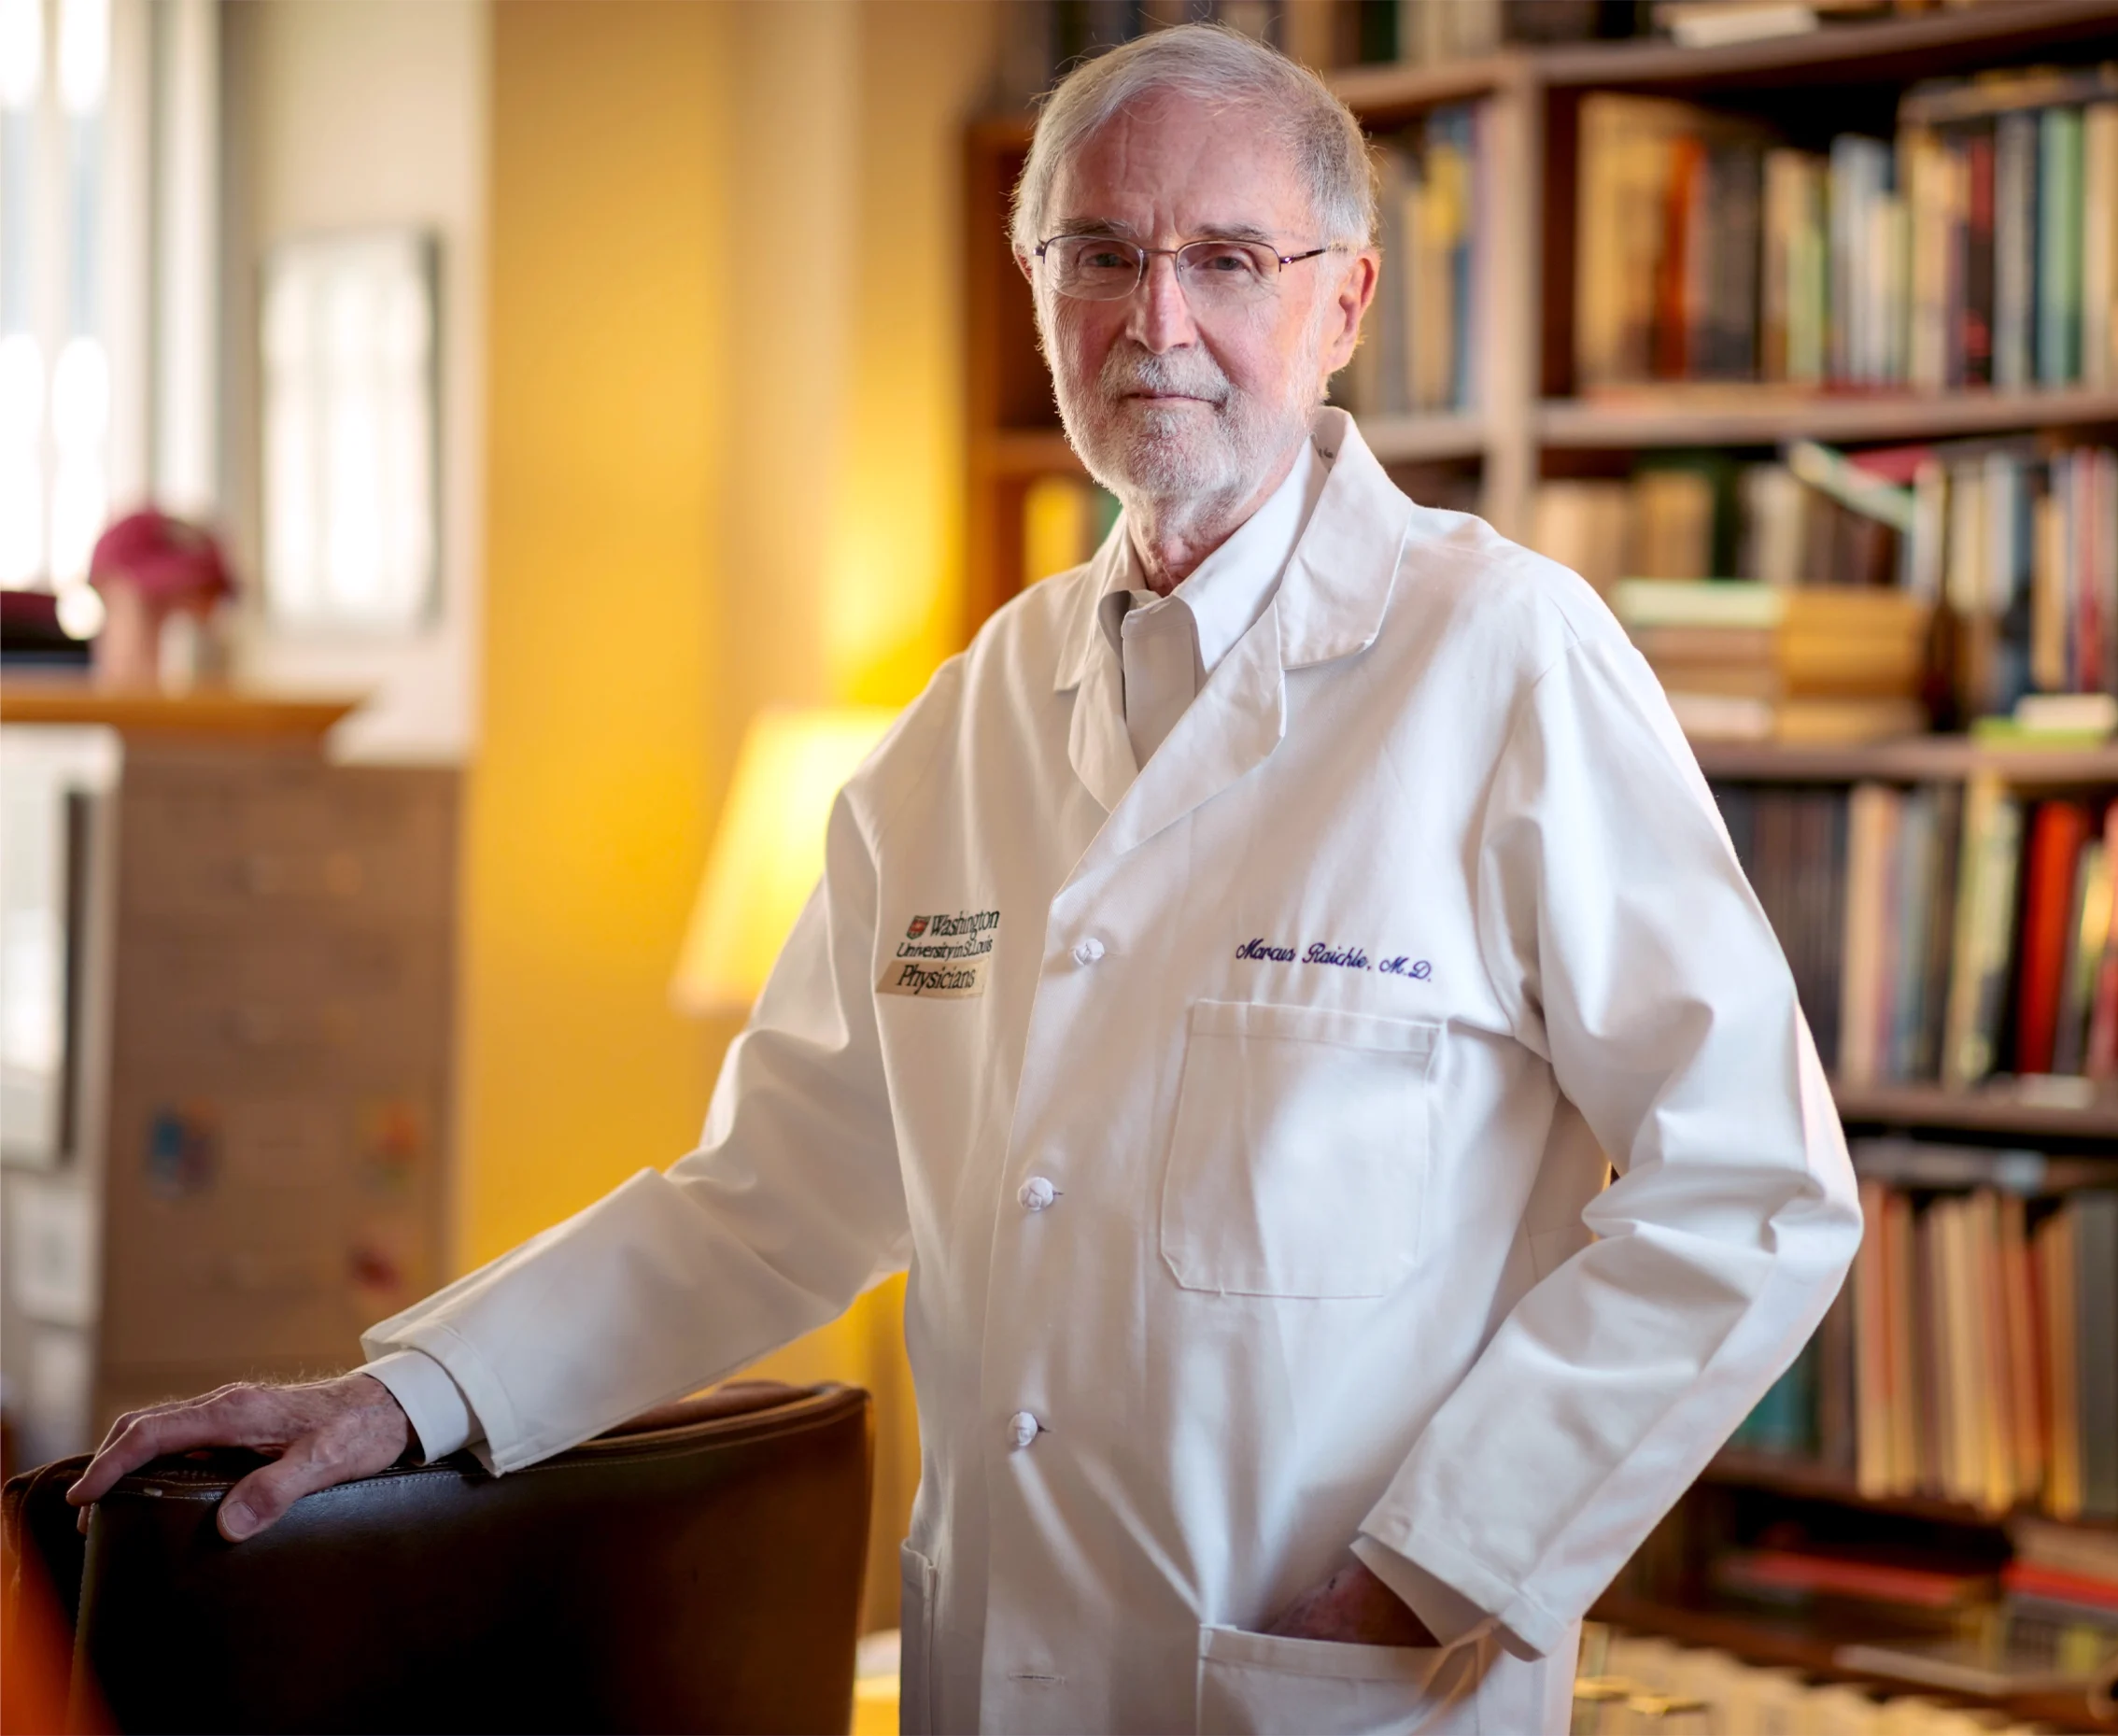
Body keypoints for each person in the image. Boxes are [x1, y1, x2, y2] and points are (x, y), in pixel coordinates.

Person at [67, 24, 1859, 1734]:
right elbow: (770, 1189)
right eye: (1100, 254)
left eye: (1231, 258)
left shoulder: (1503, 658)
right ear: (1039, 295)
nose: (1159, 319)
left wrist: (1433, 1569)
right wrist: (407, 1394)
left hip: (1334, 1676)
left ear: (1345, 299)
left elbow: (1755, 1187)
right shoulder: (971, 711)